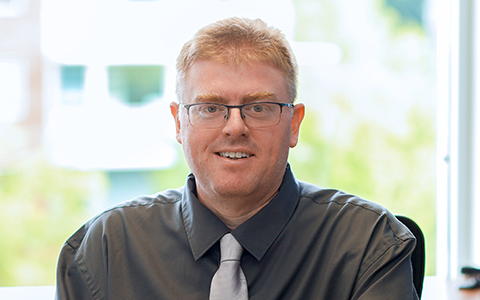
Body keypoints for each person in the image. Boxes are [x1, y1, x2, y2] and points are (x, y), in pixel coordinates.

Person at [55, 17, 419, 299]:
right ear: (178, 122)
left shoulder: (368, 244)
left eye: (258, 107)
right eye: (210, 107)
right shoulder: (104, 250)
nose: (235, 127)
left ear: (293, 124)